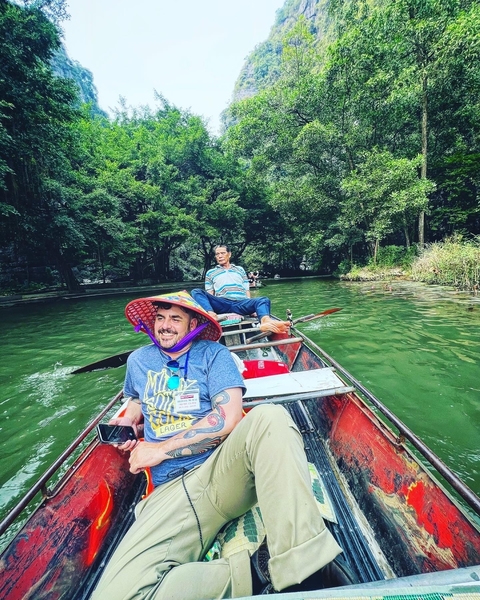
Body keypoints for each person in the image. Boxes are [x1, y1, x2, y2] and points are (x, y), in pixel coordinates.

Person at [91, 291, 346, 600]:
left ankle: (303, 570)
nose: (165, 326)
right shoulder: (138, 361)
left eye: (175, 319)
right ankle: (258, 572)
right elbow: (133, 397)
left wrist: (157, 450)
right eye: (160, 318)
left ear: (193, 323)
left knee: (270, 417)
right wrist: (130, 419)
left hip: (221, 472)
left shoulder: (214, 355)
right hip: (169, 490)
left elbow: (227, 418)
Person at [191, 245, 289, 334]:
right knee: (196, 291)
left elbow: (246, 290)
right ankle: (212, 316)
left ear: (229, 254)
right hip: (222, 303)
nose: (220, 256)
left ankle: (265, 322)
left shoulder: (240, 269)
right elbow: (210, 294)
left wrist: (252, 308)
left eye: (222, 253)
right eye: (217, 254)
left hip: (241, 303)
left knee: (263, 300)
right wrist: (209, 310)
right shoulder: (210, 272)